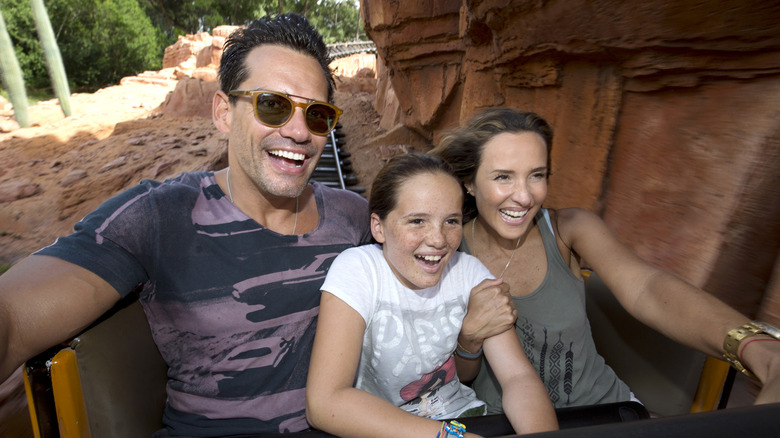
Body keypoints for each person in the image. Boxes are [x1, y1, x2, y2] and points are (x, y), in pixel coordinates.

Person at [0, 13, 372, 437]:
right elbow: (13, 316)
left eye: (318, 115)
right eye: (273, 105)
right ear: (223, 113)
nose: (299, 132)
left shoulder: (353, 217)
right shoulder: (159, 217)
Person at [430, 107, 780, 412]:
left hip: (604, 414)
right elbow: (429, 379)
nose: (523, 196)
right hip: (499, 424)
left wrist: (754, 345)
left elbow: (646, 287)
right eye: (503, 177)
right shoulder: (442, 250)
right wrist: (469, 340)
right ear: (470, 184)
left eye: (536, 175)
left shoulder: (569, 229)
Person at [305, 153, 559, 438]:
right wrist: (448, 437)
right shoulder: (359, 270)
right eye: (417, 221)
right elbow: (324, 402)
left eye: (451, 221)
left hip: (462, 418)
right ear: (379, 227)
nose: (438, 240)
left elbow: (518, 377)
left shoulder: (469, 273)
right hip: (382, 427)